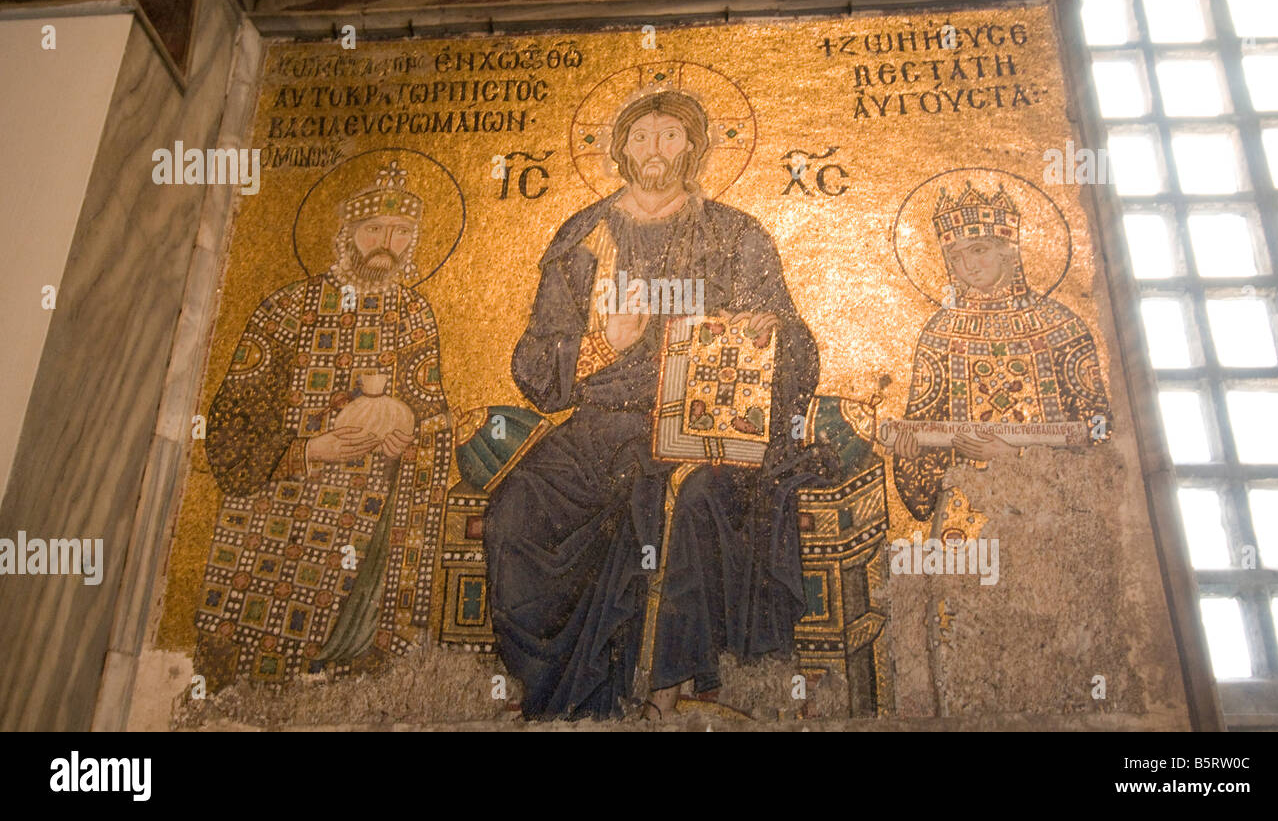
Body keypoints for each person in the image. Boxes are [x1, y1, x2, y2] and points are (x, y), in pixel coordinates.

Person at [485, 91, 822, 719]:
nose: (656, 151)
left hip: (702, 424)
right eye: (642, 137)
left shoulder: (735, 235)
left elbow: (797, 346)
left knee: (676, 501)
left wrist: (757, 333)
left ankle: (675, 688)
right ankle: (559, 693)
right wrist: (599, 346)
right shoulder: (585, 238)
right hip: (604, 424)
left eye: (671, 136)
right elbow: (533, 367)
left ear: (694, 147)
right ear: (620, 150)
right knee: (515, 508)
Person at [193, 159, 453, 689]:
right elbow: (230, 423)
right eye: (373, 229)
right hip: (287, 494)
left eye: (402, 232)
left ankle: (358, 653)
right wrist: (310, 451)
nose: (387, 242)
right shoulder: (287, 309)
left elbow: (433, 411)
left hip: (379, 501)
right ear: (346, 235)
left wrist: (412, 436)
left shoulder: (415, 314)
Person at [893, 183, 1110, 519]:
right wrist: (910, 457)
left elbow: (1099, 439)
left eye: (978, 250)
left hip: (1046, 518)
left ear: (1008, 250)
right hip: (961, 522)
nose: (967, 266)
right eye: (956, 256)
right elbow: (924, 448)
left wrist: (1011, 456)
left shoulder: (1061, 329)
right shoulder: (939, 335)